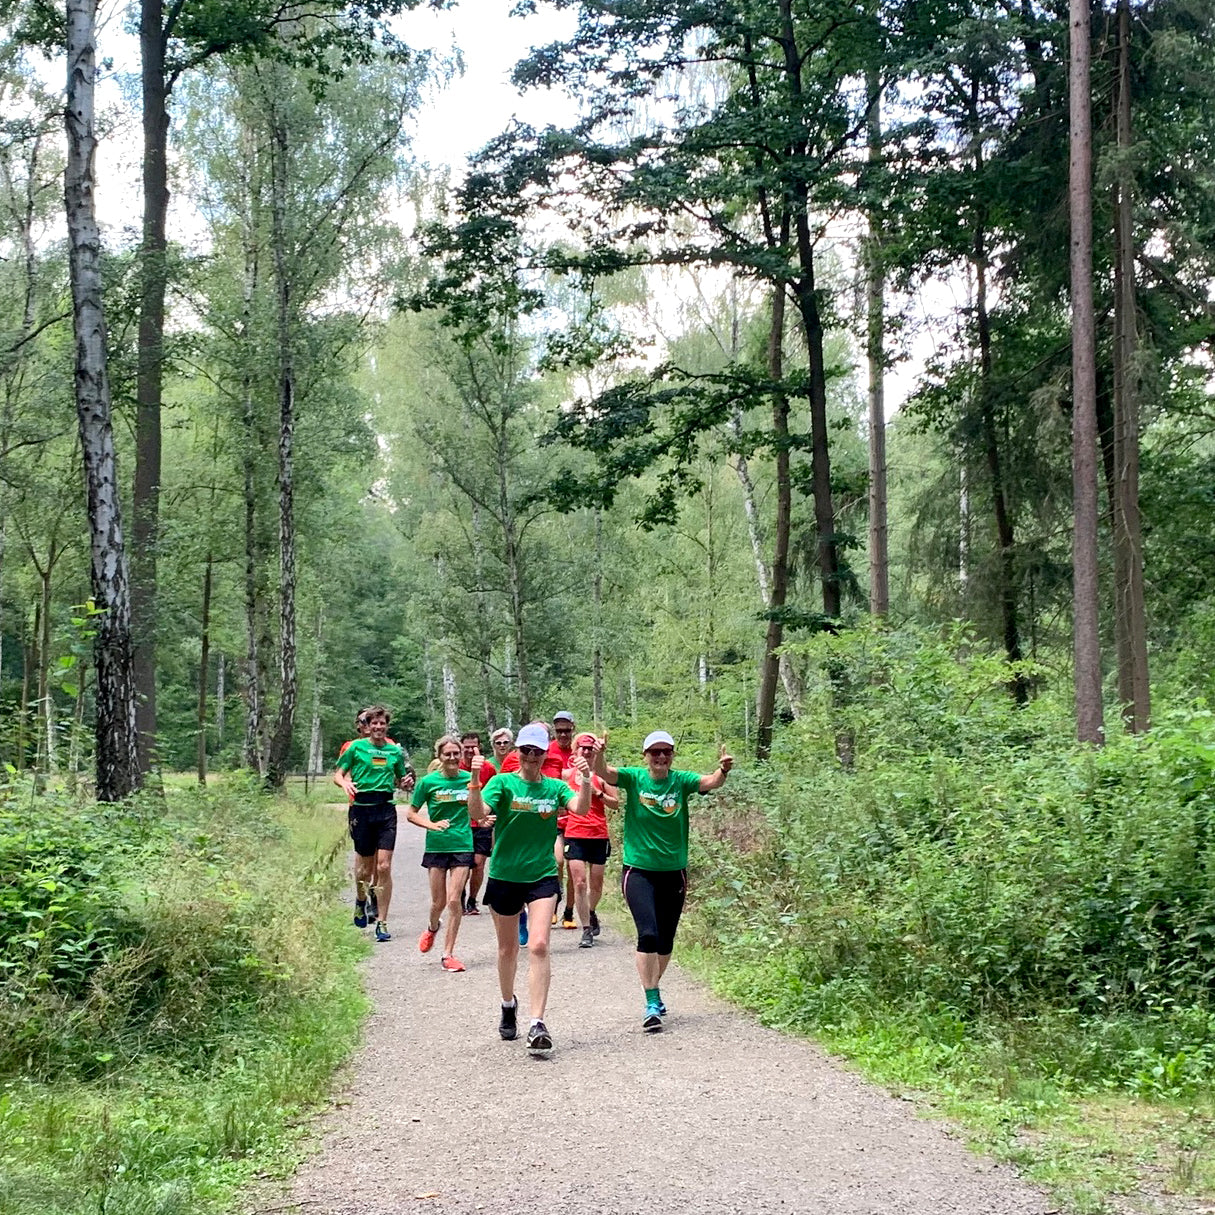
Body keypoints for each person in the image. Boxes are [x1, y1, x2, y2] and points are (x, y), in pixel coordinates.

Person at [593, 729, 733, 1031]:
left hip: (674, 870)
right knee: (649, 934)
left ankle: (654, 988)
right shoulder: (634, 778)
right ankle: (652, 1000)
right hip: (639, 870)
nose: (660, 757)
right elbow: (603, 772)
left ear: (672, 756)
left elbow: (710, 782)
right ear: (646, 756)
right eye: (654, 752)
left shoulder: (680, 781)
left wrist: (722, 769)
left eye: (665, 752)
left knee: (666, 939)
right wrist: (600, 753)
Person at [468, 722, 592, 1055]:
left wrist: (586, 779)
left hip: (541, 876)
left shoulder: (553, 788)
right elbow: (478, 814)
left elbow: (579, 808)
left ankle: (538, 1023)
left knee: (538, 945)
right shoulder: (502, 783)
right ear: (517, 752)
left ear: (545, 754)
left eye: (537, 752)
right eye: (526, 751)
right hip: (506, 875)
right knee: (508, 949)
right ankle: (508, 1004)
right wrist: (475, 783)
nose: (531, 757)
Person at [333, 706, 412, 943]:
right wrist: (344, 784)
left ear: (387, 726)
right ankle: (360, 899)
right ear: (367, 726)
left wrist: (406, 783)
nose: (378, 727)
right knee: (364, 870)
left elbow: (401, 780)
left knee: (384, 866)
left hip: (386, 809)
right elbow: (338, 774)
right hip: (362, 810)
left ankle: (382, 922)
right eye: (374, 723)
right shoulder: (356, 748)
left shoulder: (393, 751)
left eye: (382, 724)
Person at [407, 735, 483, 972]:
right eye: (447, 754)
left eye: (455, 754)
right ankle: (432, 927)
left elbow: (476, 808)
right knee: (438, 902)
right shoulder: (429, 783)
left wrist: (482, 817)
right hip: (436, 846)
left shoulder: (468, 779)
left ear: (461, 756)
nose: (451, 758)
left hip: (462, 844)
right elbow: (411, 813)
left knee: (453, 899)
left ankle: (448, 953)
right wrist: (432, 825)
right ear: (439, 756)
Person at [561, 732, 619, 948]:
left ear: (595, 752)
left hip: (598, 834)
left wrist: (598, 793)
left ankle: (591, 910)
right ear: (576, 751)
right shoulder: (567, 776)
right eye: (582, 748)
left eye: (589, 749)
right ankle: (586, 929)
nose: (586, 752)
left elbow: (616, 803)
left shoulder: (603, 775)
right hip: (574, 833)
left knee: (596, 883)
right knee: (579, 881)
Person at [460, 731, 497, 915]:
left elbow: (495, 796)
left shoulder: (488, 769)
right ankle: (460, 895)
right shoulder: (455, 767)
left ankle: (472, 900)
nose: (469, 750)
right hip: (461, 824)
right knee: (463, 864)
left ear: (479, 747)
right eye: (466, 747)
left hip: (482, 823)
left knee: (479, 863)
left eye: (473, 747)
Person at [549, 711, 578, 926]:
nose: (563, 735)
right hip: (553, 820)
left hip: (577, 820)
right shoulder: (548, 751)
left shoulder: (579, 750)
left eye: (567, 730)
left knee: (573, 870)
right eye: (559, 731)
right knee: (557, 862)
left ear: (573, 729)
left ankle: (569, 912)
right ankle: (554, 904)